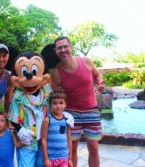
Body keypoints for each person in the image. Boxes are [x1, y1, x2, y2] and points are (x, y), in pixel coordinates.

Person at [51, 36, 105, 167]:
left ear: (71, 47)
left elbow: (97, 74)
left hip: (91, 111)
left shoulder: (86, 61)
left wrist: (99, 83)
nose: (63, 50)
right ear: (55, 51)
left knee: (93, 148)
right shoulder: (56, 72)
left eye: (65, 46)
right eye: (59, 48)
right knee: (72, 150)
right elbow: (55, 94)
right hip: (71, 114)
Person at [41, 91, 74, 167]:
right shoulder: (47, 120)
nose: (58, 106)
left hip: (64, 157)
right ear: (50, 105)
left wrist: (70, 159)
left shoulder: (67, 120)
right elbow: (44, 140)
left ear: (65, 104)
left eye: (61, 103)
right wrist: (45, 159)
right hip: (51, 158)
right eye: (55, 103)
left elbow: (69, 139)